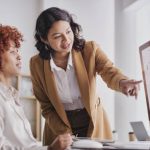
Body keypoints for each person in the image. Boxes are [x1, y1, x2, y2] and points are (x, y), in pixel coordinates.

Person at [30, 7, 142, 146]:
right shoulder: (37, 64)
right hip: (58, 127)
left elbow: (109, 71)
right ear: (44, 39)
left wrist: (122, 82)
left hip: (93, 122)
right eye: (57, 36)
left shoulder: (90, 49)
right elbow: (46, 107)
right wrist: (64, 132)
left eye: (68, 31)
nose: (66, 40)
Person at [0, 24, 72, 150]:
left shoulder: (11, 95)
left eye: (17, 51)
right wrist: (50, 149)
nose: (19, 56)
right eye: (12, 52)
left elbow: (27, 145)